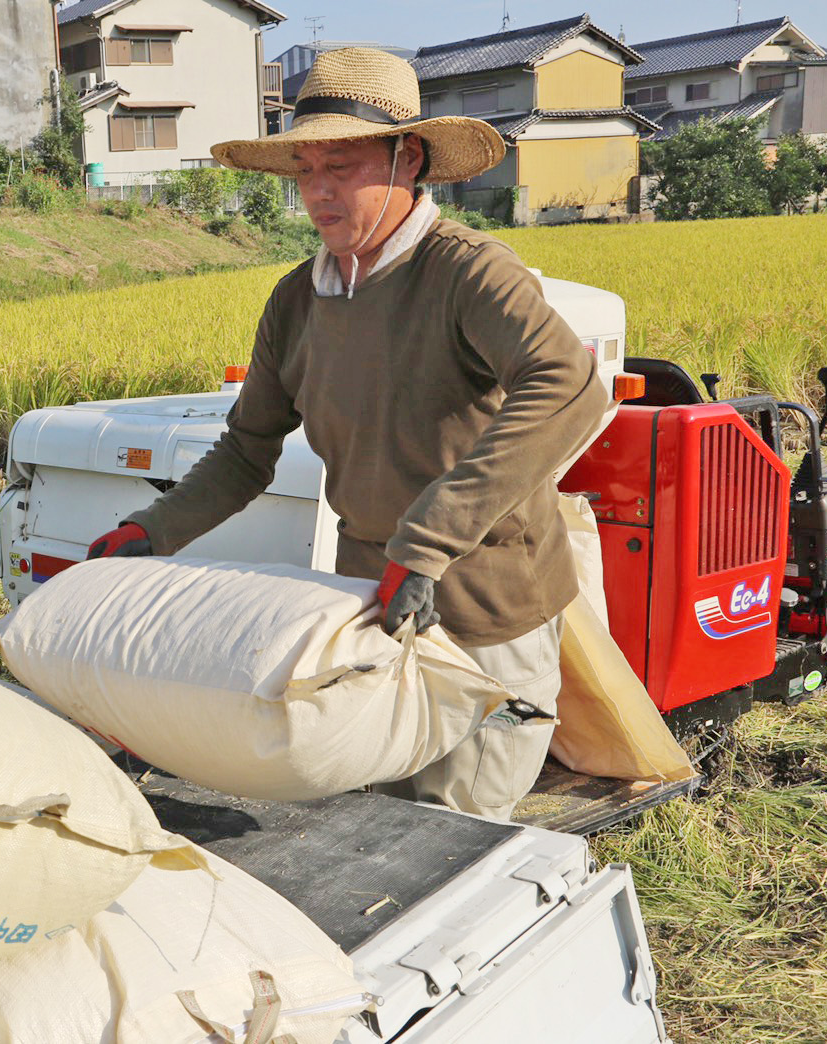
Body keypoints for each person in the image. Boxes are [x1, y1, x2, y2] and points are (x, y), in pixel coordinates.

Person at [85, 49, 608, 820]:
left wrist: (426, 542)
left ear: (410, 157)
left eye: (343, 164)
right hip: (371, 601)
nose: (319, 191)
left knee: (451, 831)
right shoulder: (299, 300)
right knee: (376, 817)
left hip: (483, 609)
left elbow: (569, 384)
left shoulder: (467, 273)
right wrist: (149, 531)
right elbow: (244, 452)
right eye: (305, 170)